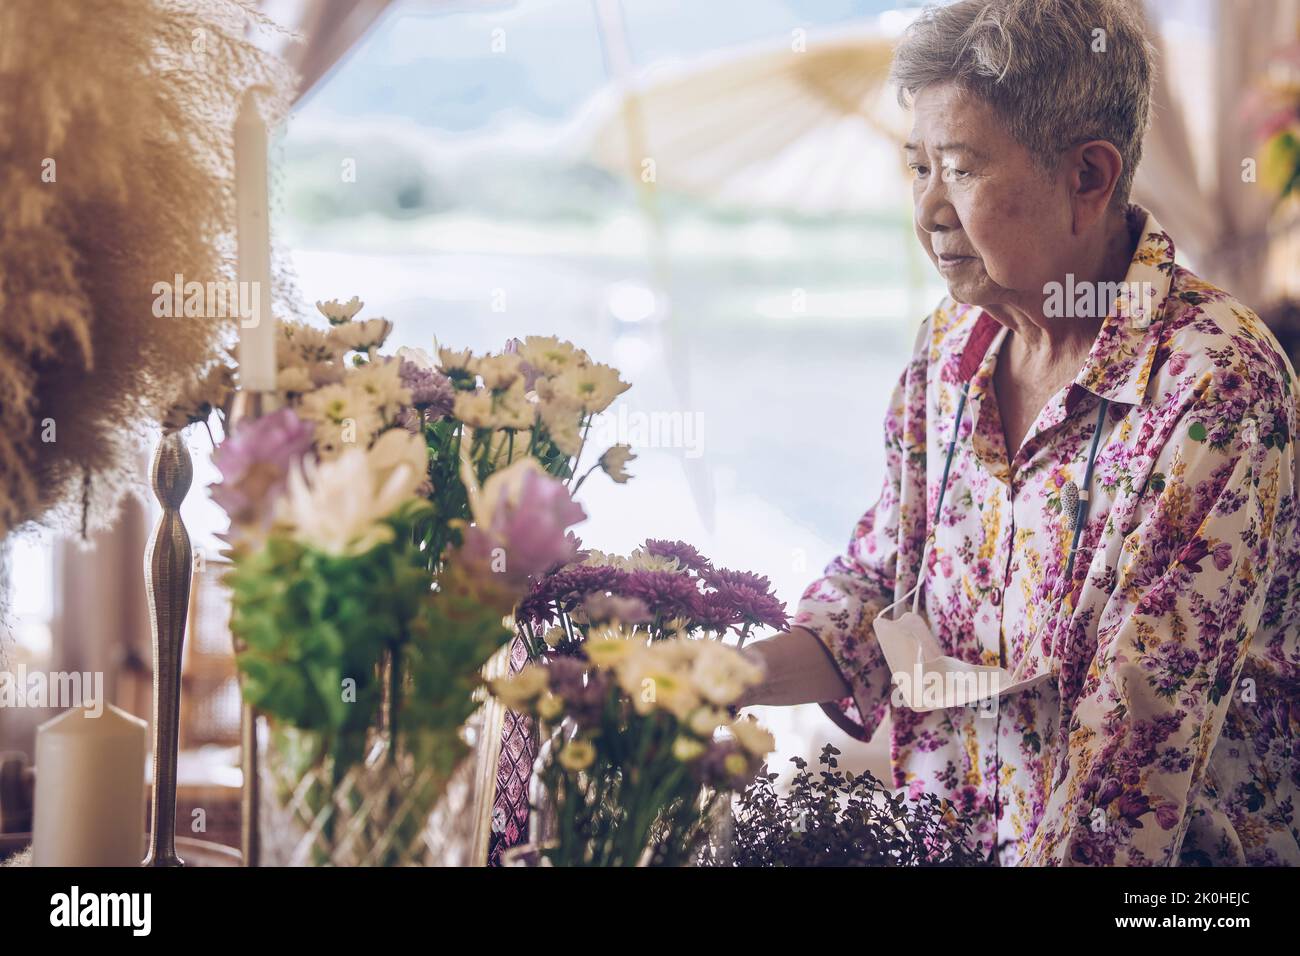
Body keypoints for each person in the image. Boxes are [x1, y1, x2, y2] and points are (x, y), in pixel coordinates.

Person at [741, 0, 1300, 866]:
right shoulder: (950, 346)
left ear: (1089, 176)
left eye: (959, 170)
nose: (927, 209)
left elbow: (1131, 760)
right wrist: (710, 681)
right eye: (916, 167)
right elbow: (881, 592)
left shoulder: (1216, 385)